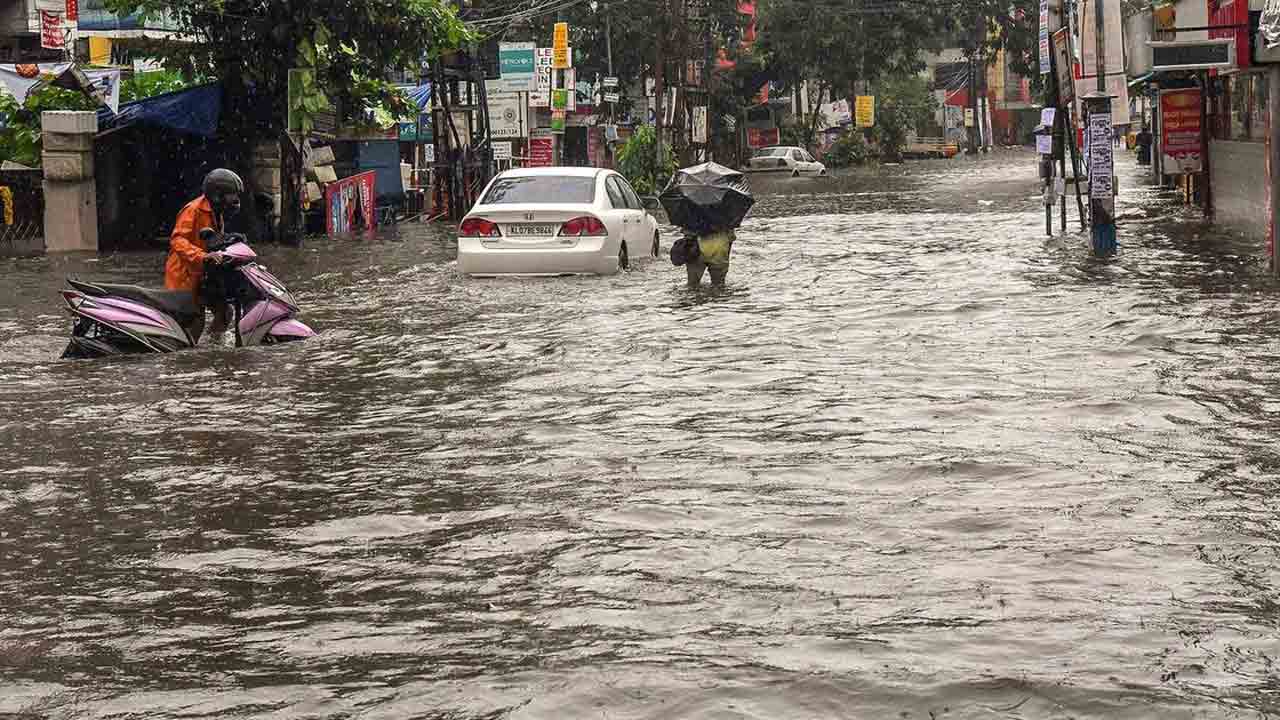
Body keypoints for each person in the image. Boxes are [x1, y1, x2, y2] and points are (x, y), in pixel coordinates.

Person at [164, 168, 243, 344]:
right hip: (184, 275)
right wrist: (202, 256)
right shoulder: (193, 210)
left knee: (225, 312)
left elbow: (212, 240)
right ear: (217, 195)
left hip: (204, 274)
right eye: (232, 195)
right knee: (195, 320)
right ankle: (186, 356)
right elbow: (177, 240)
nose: (235, 200)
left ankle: (212, 347)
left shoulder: (217, 213)